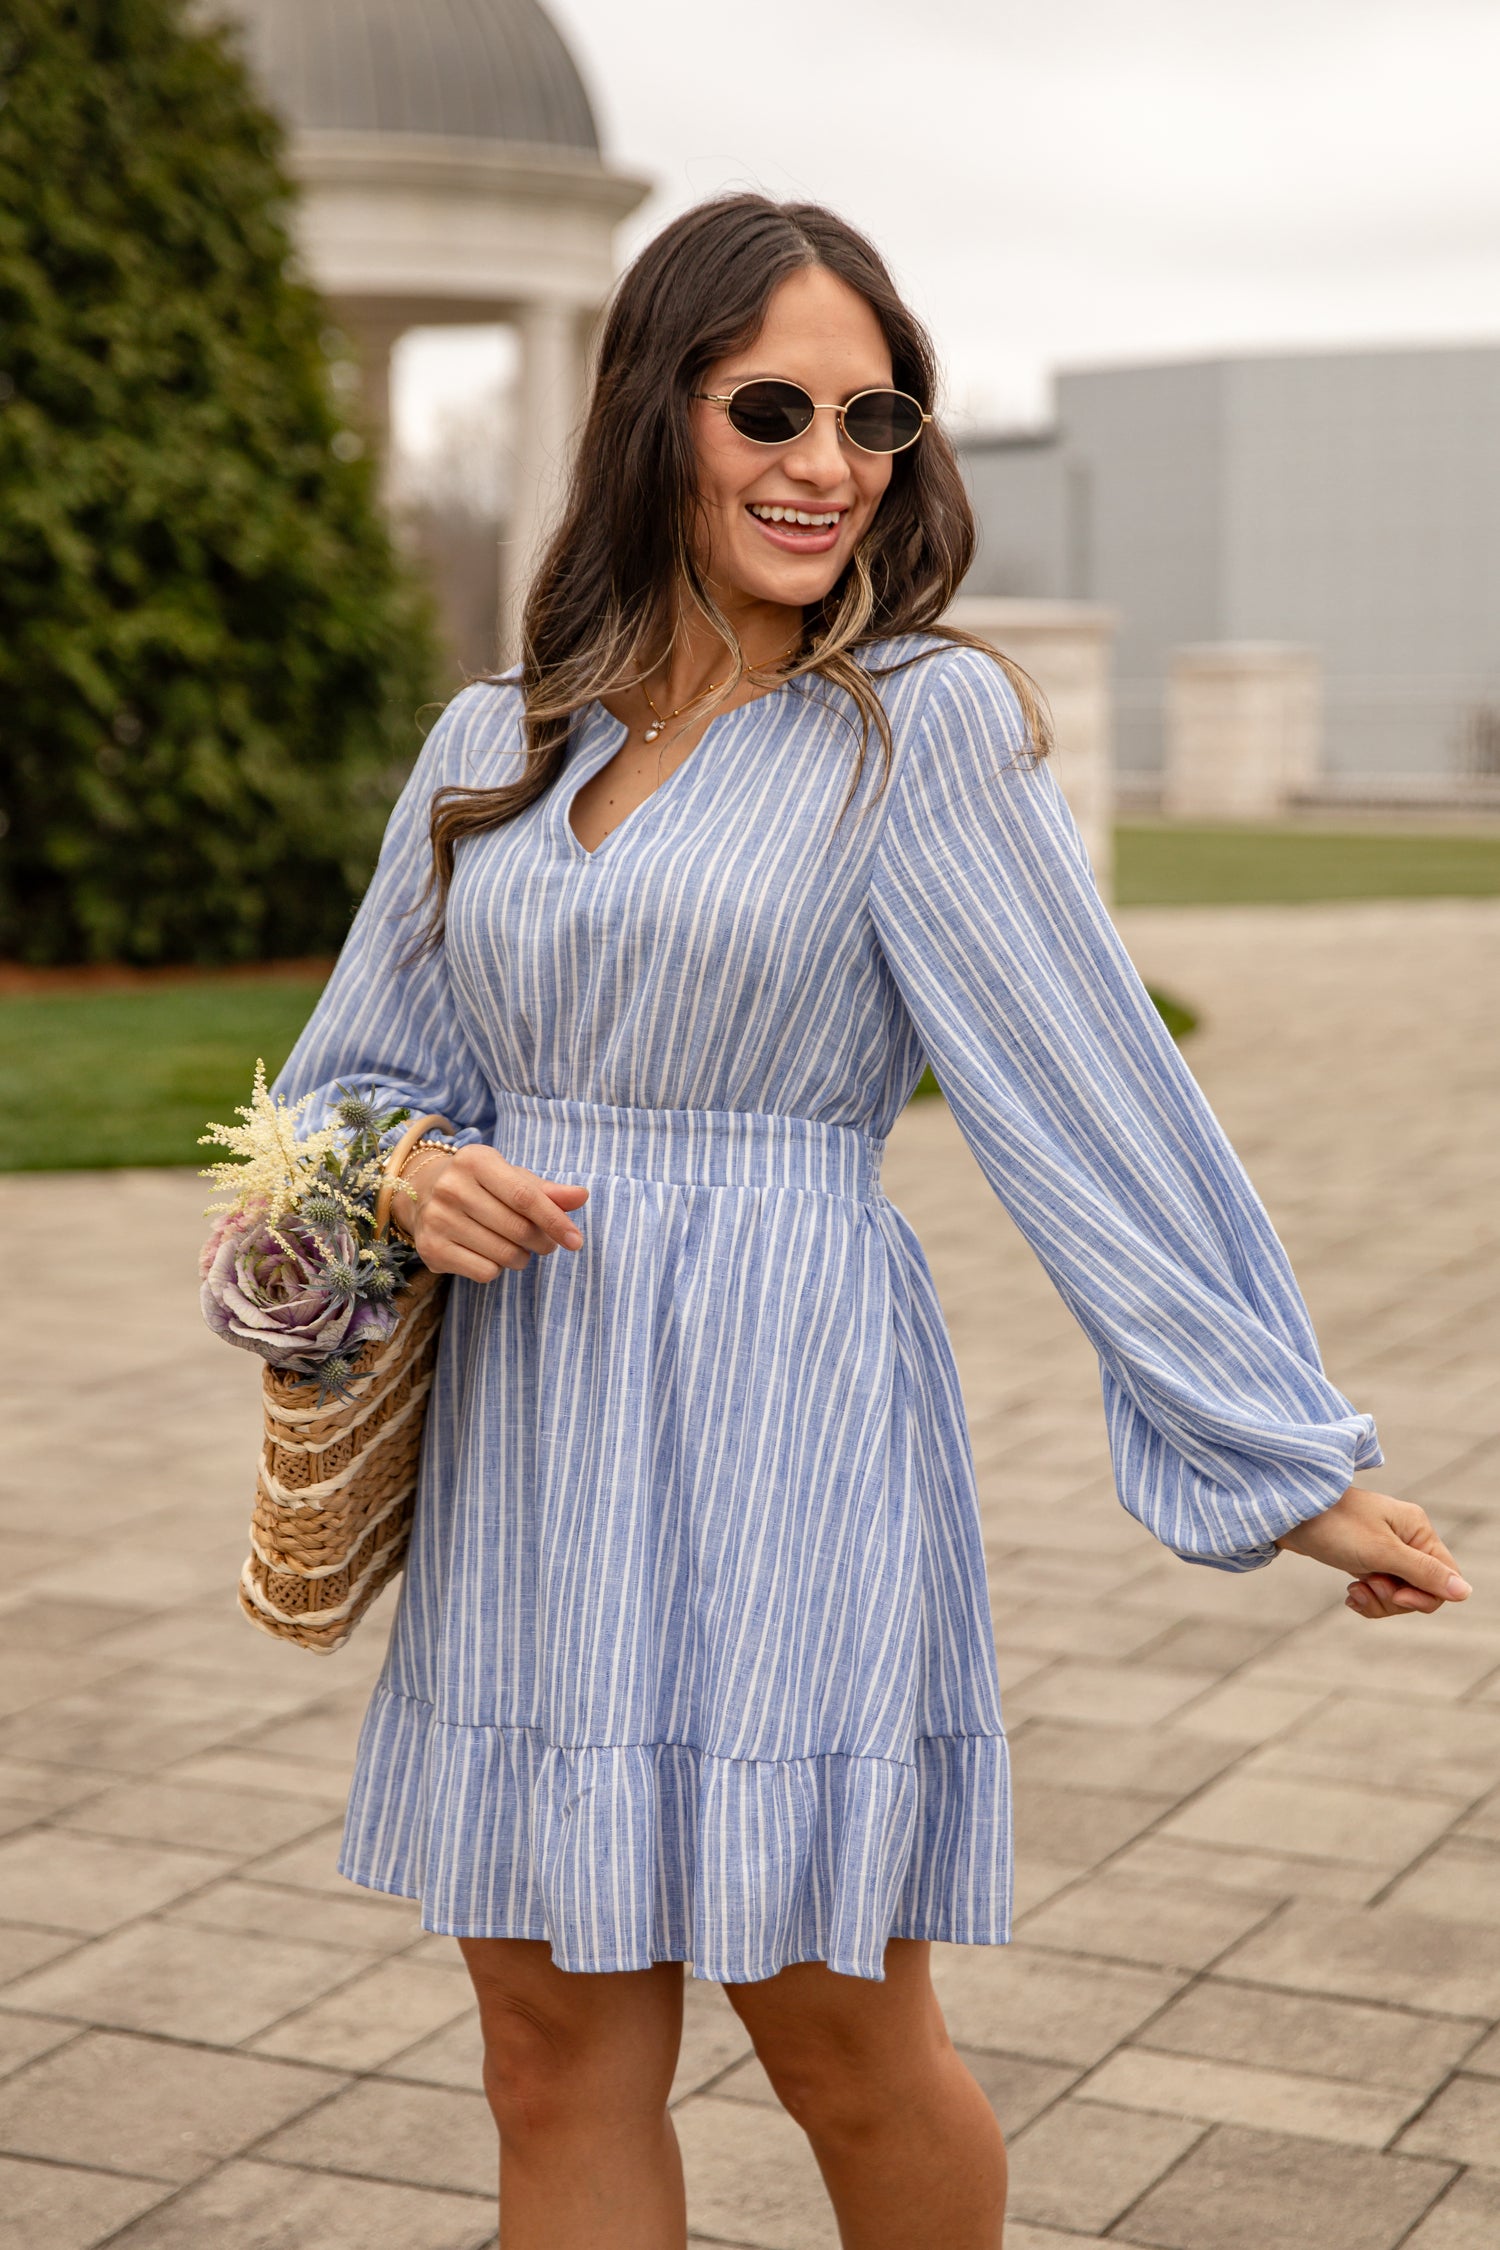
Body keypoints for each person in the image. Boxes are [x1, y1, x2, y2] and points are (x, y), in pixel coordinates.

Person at [273, 194, 1472, 2250]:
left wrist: (1284, 1454)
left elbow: (1098, 1097)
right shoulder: (497, 742)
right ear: (654, 413)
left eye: (878, 417)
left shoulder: (919, 731)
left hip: (786, 1425)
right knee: (542, 2043)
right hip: (530, 1443)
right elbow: (327, 1093)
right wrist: (396, 1168)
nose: (830, 463)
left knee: (834, 2033)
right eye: (773, 407)